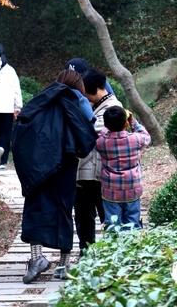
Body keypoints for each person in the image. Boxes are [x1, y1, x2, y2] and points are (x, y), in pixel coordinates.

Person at [12, 69, 97, 284]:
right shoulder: (76, 99)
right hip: (65, 164)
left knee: (35, 207)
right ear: (78, 85)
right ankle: (64, 263)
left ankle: (37, 258)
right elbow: (88, 127)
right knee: (63, 209)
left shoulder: (42, 98)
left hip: (37, 163)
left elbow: (22, 125)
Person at [74, 68, 122, 253]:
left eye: (85, 92)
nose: (84, 96)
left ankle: (113, 254)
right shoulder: (96, 106)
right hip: (86, 172)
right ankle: (86, 253)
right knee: (83, 216)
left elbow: (96, 133)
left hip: (101, 174)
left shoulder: (113, 108)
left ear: (93, 89)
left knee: (106, 216)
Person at [96, 105, 151, 231]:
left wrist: (106, 127)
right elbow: (146, 136)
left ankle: (114, 241)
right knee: (133, 221)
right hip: (132, 188)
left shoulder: (101, 142)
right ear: (126, 123)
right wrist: (133, 121)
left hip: (110, 191)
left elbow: (101, 133)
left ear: (106, 124)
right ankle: (132, 241)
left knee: (113, 223)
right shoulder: (135, 139)